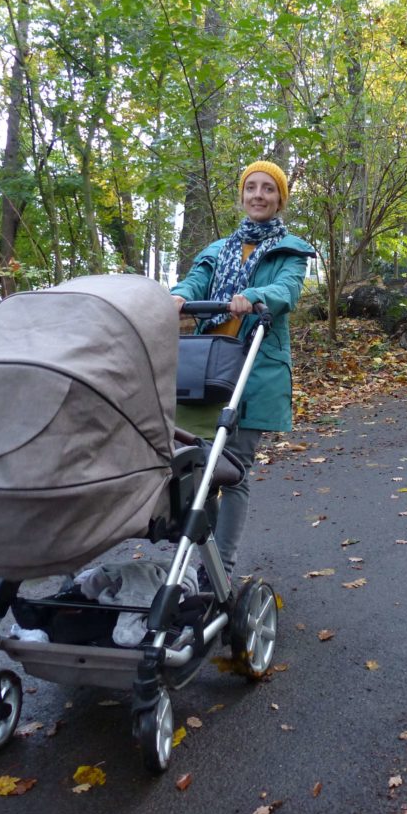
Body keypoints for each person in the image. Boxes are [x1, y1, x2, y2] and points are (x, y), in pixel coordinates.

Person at [171, 160, 314, 577]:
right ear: (242, 195)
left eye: (268, 188)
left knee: (232, 469)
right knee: (197, 467)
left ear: (279, 198)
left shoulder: (291, 250)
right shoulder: (218, 250)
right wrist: (178, 297)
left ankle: (222, 569)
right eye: (251, 187)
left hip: (255, 370)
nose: (258, 195)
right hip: (207, 368)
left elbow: (286, 291)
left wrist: (252, 295)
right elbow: (195, 282)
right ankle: (204, 561)